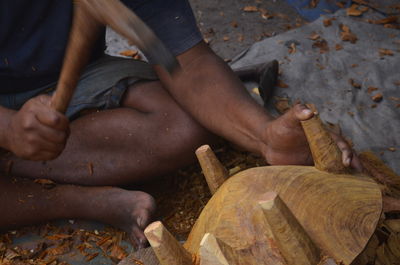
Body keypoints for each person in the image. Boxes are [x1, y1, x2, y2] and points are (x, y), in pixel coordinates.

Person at [0, 0, 361, 248]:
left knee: (184, 127)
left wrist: (264, 135)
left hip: (72, 78)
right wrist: (10, 130)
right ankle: (75, 201)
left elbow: (189, 64)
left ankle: (12, 181)